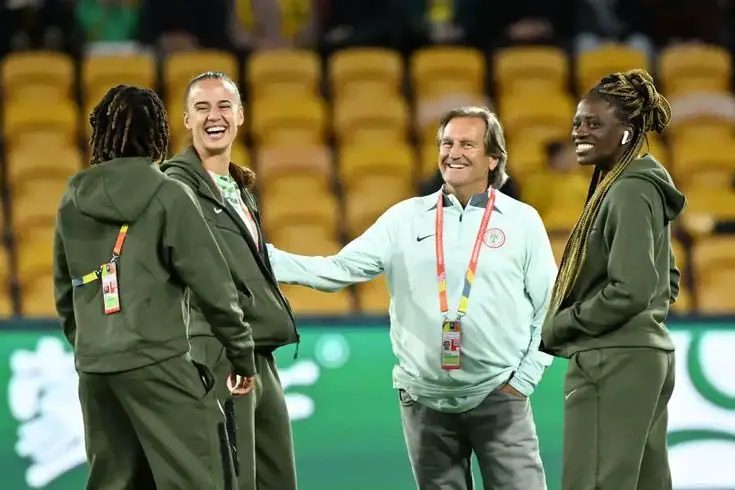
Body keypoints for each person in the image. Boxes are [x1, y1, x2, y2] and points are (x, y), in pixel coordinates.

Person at [268, 106, 557, 489]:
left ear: (493, 159)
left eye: (467, 144)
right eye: (447, 143)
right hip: (424, 400)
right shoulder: (404, 219)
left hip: (498, 395)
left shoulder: (522, 221)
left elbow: (550, 305)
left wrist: (523, 381)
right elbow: (338, 270)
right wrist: (259, 255)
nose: (453, 153)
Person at [53, 84, 257, 490]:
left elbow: (64, 292)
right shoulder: (169, 194)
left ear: (102, 132)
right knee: (200, 478)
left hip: (96, 371)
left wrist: (95, 345)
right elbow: (214, 286)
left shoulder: (72, 198)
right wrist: (241, 354)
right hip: (159, 362)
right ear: (158, 134)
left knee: (115, 481)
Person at [539, 69, 686, 490]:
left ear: (626, 133)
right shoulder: (636, 187)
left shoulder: (626, 191)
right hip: (640, 355)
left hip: (612, 358)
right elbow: (667, 279)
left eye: (593, 123)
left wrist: (562, 324)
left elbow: (633, 288)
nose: (579, 132)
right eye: (577, 123)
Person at [160, 71, 300, 490]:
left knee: (277, 479)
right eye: (201, 108)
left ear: (240, 115)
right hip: (215, 349)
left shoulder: (240, 188)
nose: (214, 116)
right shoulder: (175, 187)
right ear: (187, 120)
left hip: (257, 352)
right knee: (231, 481)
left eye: (224, 106)